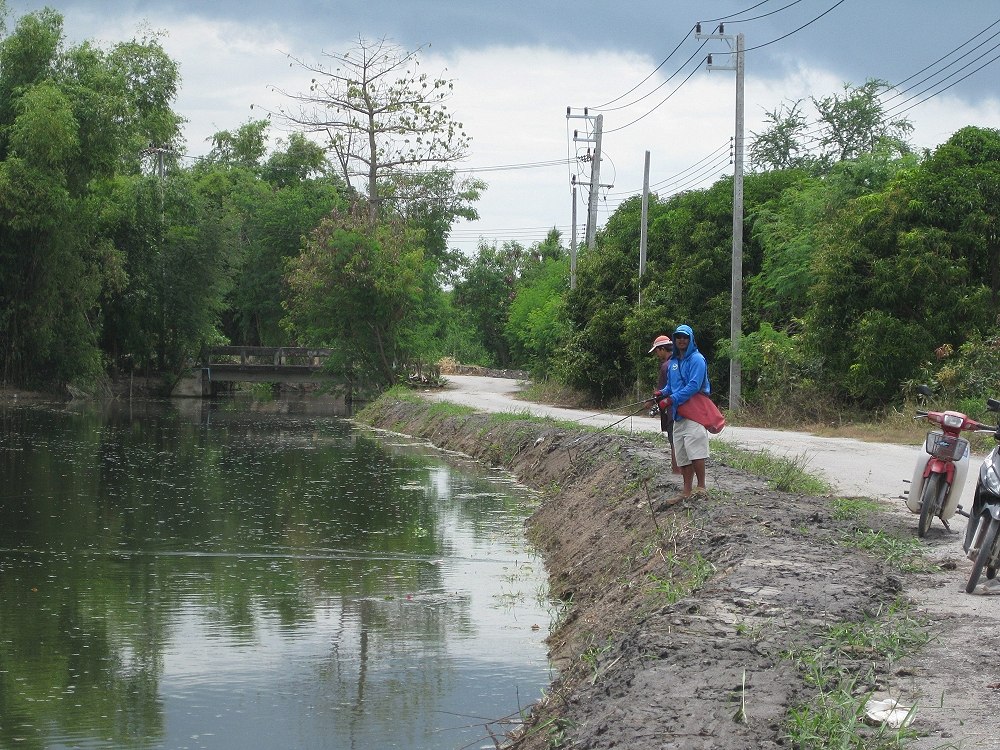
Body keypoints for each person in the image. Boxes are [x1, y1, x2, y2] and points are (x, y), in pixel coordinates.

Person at [653, 324, 710, 500]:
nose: (682, 340)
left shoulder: (697, 359)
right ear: (675, 340)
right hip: (678, 414)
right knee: (682, 453)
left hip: (694, 412)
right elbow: (671, 385)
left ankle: (701, 487)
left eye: (685, 337)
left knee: (696, 451)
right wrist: (662, 393)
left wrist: (671, 399)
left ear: (691, 339)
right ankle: (686, 490)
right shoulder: (674, 363)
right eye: (678, 337)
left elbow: (694, 385)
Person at [646, 335, 680, 475]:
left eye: (656, 351)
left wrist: (650, 402)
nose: (656, 354)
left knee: (674, 441)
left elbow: (662, 391)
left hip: (672, 409)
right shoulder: (680, 361)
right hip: (683, 408)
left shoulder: (667, 366)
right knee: (681, 441)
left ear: (662, 349)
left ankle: (676, 471)